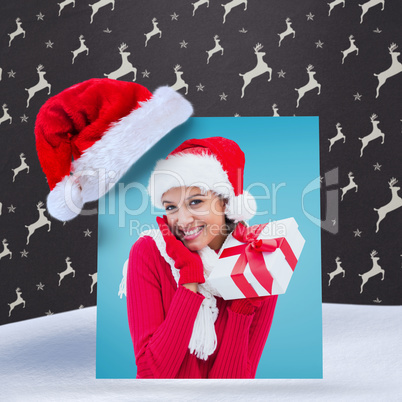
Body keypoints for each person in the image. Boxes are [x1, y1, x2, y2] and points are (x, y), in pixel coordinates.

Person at [126, 136, 278, 379]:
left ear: (226, 202)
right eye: (170, 207)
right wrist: (188, 283)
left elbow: (236, 390)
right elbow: (150, 376)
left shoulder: (259, 261)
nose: (183, 221)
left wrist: (241, 308)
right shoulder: (150, 253)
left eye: (195, 202)